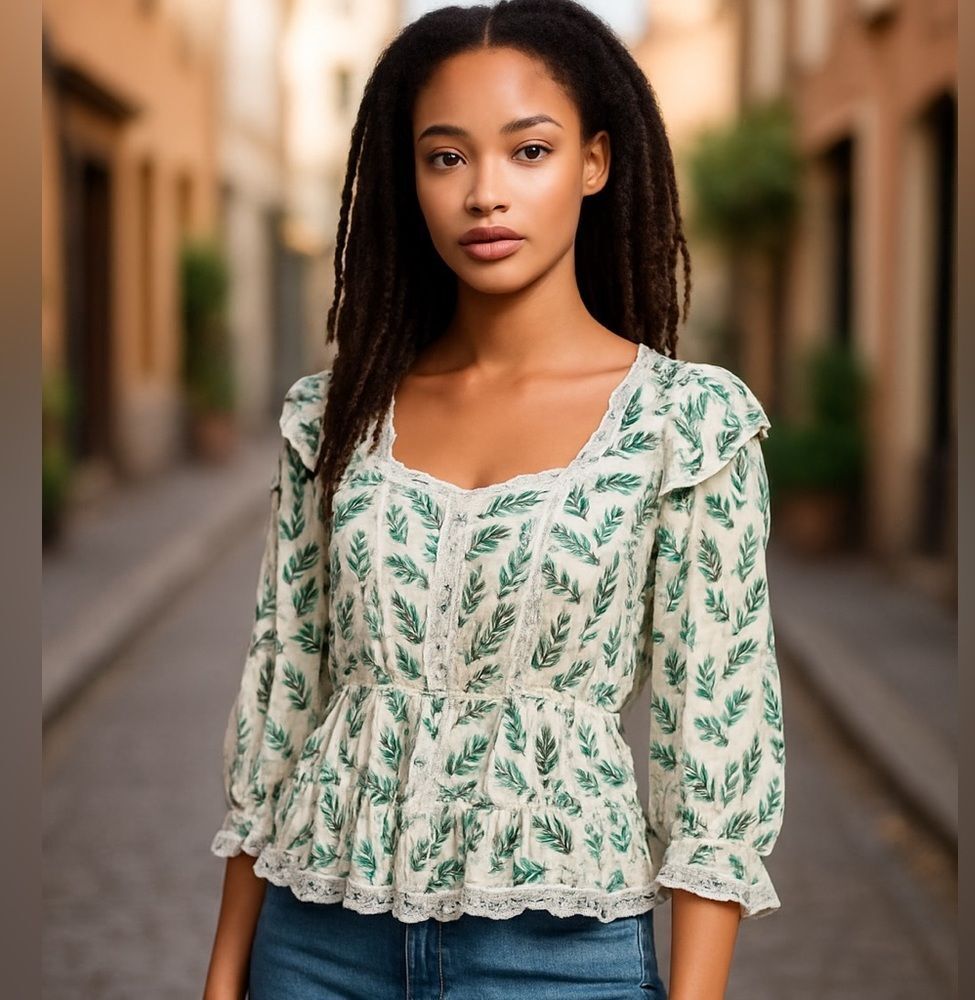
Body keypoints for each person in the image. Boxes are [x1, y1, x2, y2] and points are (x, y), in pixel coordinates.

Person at [202, 2, 786, 998]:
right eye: (444, 158)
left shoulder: (687, 426)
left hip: (560, 959)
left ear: (595, 163)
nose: (483, 194)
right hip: (315, 949)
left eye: (528, 150)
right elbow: (281, 711)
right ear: (410, 179)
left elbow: (715, 751)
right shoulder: (332, 419)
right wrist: (224, 979)